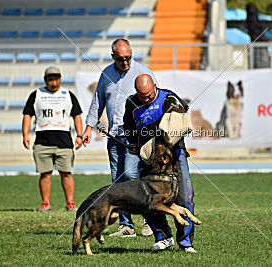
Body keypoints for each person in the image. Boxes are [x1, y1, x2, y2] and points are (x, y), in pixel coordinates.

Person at [82, 39, 156, 237]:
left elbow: (154, 101)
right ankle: (126, 226)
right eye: (121, 59)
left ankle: (149, 221)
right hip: (114, 135)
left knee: (132, 176)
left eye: (128, 58)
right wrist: (88, 127)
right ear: (113, 56)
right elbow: (97, 102)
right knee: (117, 180)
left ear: (132, 53)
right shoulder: (106, 73)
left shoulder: (143, 72)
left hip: (135, 136)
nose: (125, 62)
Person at [123, 74, 197, 253]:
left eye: (149, 95)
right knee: (149, 199)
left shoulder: (168, 97)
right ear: (136, 93)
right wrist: (134, 144)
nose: (146, 99)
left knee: (185, 198)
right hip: (148, 160)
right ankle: (163, 237)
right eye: (142, 96)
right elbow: (128, 126)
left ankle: (185, 241)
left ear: (155, 86)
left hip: (175, 157)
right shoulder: (131, 103)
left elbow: (181, 118)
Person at [22, 66, 83, 212]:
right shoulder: (36, 94)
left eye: (56, 79)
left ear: (60, 79)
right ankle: (45, 203)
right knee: (45, 173)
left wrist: (79, 135)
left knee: (66, 173)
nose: (53, 83)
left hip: (64, 142)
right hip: (43, 142)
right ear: (45, 80)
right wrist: (25, 134)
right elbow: (27, 115)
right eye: (50, 79)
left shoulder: (68, 95)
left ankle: (70, 203)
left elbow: (77, 115)